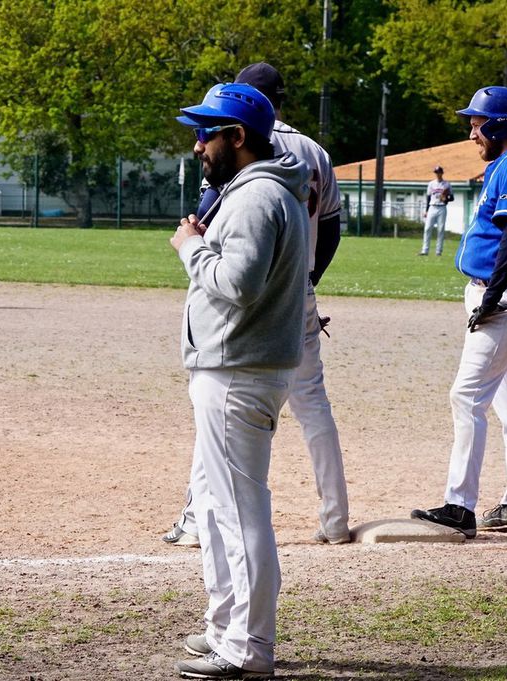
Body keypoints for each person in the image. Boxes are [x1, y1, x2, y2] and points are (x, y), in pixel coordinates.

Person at [163, 62, 351, 549]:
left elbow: (211, 222)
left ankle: (192, 519)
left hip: (246, 314)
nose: (201, 142)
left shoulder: (243, 152)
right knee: (314, 408)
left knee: (221, 411)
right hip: (297, 292)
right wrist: (305, 280)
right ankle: (335, 516)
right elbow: (330, 227)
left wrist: (192, 244)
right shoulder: (313, 151)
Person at [170, 82, 310, 679]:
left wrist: (192, 248)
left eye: (208, 132)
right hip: (237, 367)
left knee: (238, 511)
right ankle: (226, 625)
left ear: (238, 137)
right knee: (213, 502)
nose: (198, 144)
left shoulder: (255, 198)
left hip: (238, 371)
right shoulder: (259, 191)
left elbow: (239, 283)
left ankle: (249, 648)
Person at [411, 86, 507, 538]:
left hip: (506, 297)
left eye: (477, 123)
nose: (472, 132)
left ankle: (460, 506)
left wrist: (491, 296)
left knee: (467, 396)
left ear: (498, 125)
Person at [420, 165, 453, 256]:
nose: (437, 174)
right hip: (432, 207)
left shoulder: (446, 184)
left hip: (442, 207)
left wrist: (446, 199)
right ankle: (425, 250)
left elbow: (451, 197)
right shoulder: (431, 184)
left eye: (439, 172)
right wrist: (426, 210)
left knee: (440, 230)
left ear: (442, 173)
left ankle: (438, 251)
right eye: (436, 172)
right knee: (427, 228)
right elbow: (428, 197)